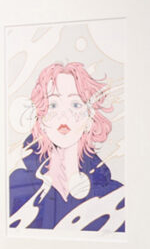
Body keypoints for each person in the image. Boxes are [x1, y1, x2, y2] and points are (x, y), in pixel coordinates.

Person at [7, 61, 124, 232]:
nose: (64, 115)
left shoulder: (114, 195)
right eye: (53, 105)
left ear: (89, 119)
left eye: (75, 105)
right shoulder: (17, 186)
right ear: (40, 118)